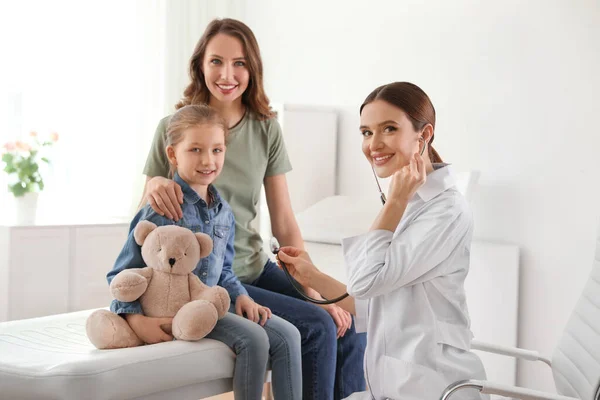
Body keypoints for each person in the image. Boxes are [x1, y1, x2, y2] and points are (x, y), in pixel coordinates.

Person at [142, 18, 366, 400]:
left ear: (253, 69)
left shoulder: (266, 129)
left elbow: (284, 222)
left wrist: (311, 288)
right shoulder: (173, 127)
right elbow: (148, 213)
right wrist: (157, 184)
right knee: (316, 326)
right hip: (211, 277)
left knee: (348, 324)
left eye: (240, 63)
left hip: (256, 266)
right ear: (200, 65)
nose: (227, 74)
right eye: (216, 61)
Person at [276, 82, 489, 400]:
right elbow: (374, 304)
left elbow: (365, 283)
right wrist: (312, 276)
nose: (373, 144)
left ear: (424, 134)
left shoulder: (446, 211)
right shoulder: (415, 203)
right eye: (365, 132)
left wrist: (394, 202)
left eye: (389, 128)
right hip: (397, 385)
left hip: (433, 387)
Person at [107, 104, 302, 400]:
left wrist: (243, 298)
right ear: (173, 155)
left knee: (289, 335)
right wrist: (135, 320)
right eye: (195, 150)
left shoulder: (224, 212)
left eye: (217, 150)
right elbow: (122, 274)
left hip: (210, 303)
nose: (208, 160)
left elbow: (223, 271)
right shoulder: (160, 209)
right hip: (175, 311)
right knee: (253, 339)